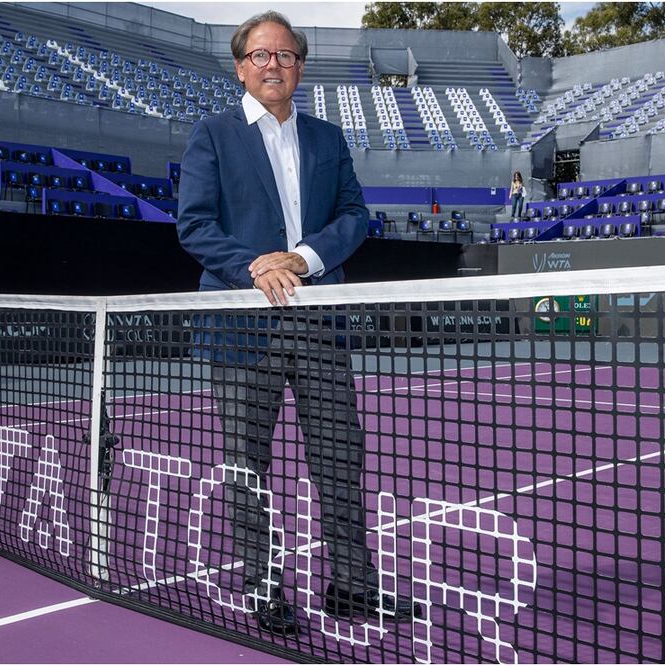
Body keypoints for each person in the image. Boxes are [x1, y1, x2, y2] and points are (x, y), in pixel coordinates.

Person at [176, 11, 418, 636]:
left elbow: (354, 217)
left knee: (340, 459)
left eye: (284, 55)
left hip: (317, 323)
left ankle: (352, 588)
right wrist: (256, 266)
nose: (273, 64)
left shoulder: (328, 139)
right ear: (240, 66)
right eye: (260, 55)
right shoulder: (212, 134)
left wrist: (303, 259)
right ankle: (263, 587)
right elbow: (195, 225)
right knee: (244, 466)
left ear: (300, 67)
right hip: (242, 330)